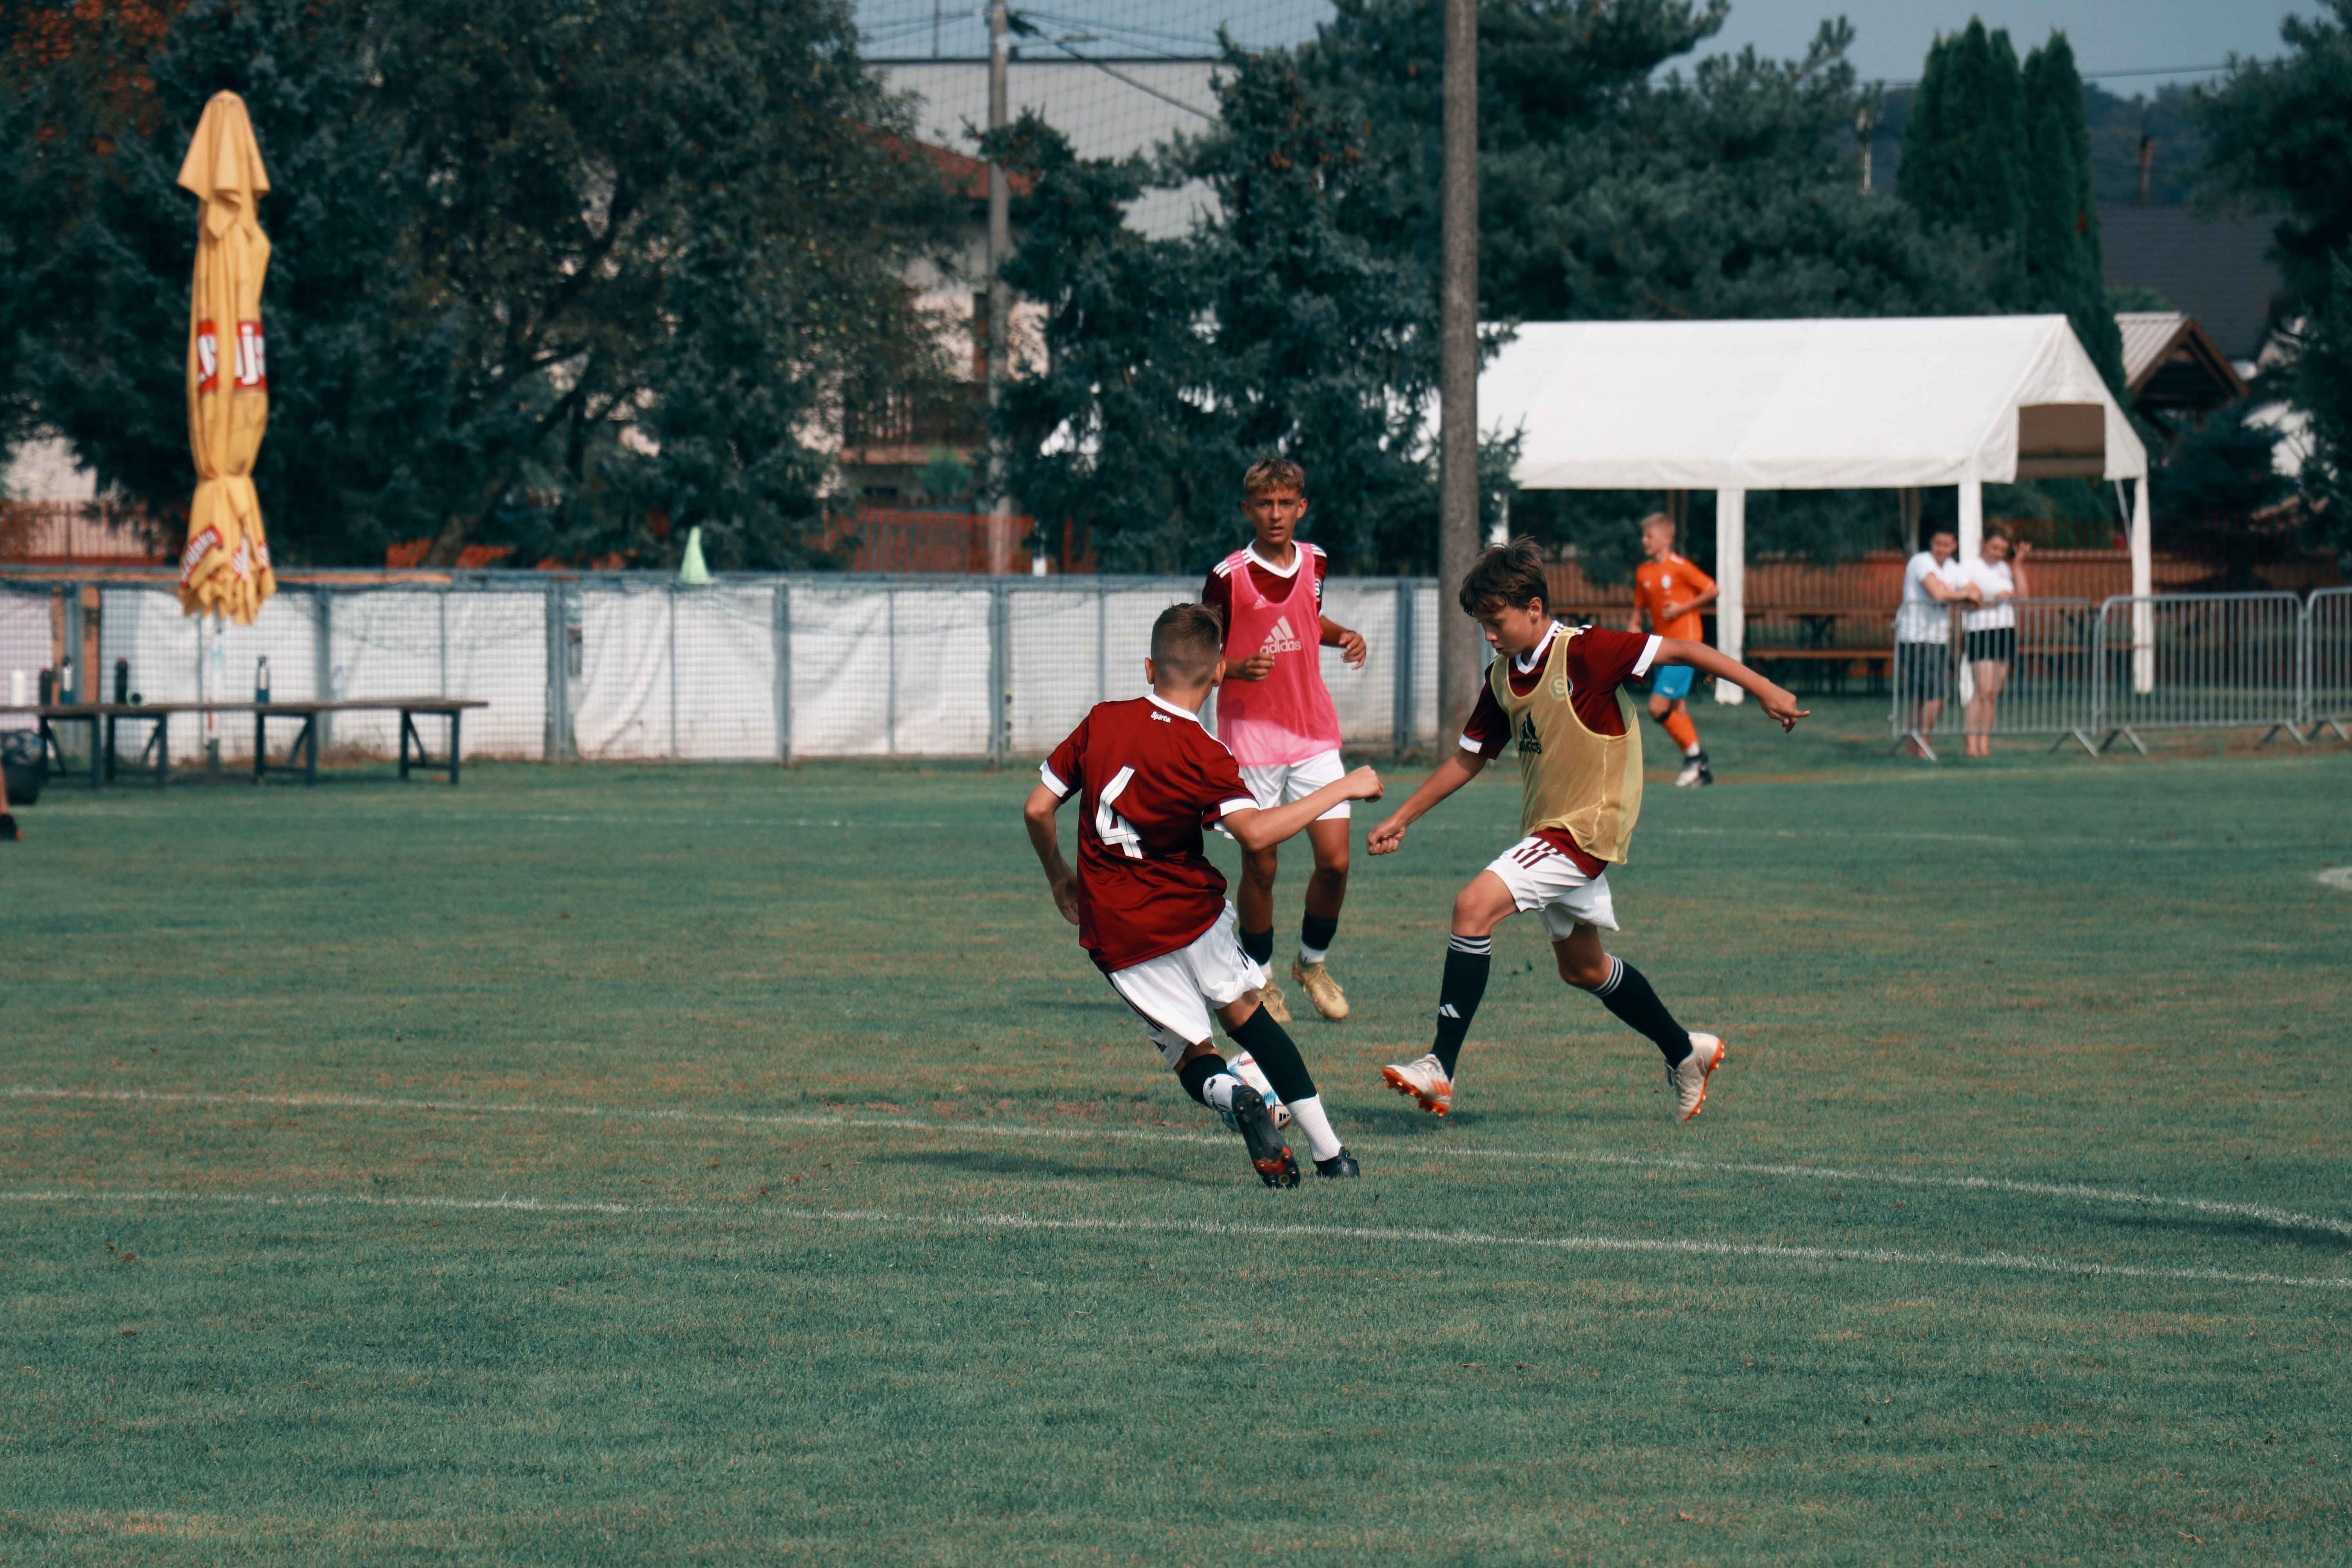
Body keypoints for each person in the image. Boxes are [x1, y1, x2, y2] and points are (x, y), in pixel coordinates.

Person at [1367, 539, 1808, 1123]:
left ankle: (1440, 1067)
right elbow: (1469, 758)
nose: (1490, 635)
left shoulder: (1589, 652)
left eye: (1496, 622)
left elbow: (1687, 648)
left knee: (1472, 906)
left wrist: (1765, 689)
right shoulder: (1501, 677)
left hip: (1586, 827)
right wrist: (1402, 816)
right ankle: (1684, 1053)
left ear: (1533, 607)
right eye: (1481, 626)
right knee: (1583, 969)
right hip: (1550, 829)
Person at [1022, 602, 1383, 1185]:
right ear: (1220, 672)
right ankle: (1332, 1156)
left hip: (1118, 928)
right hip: (1193, 914)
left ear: (1148, 667)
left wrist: (1059, 872)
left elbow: (1038, 808)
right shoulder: (1207, 753)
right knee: (1249, 1018)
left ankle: (1232, 1096)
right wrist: (1345, 785)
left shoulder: (1102, 721)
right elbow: (1258, 832)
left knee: (1193, 1055)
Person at [1201, 457, 1368, 1025]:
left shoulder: (1317, 560)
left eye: (1285, 503)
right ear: (1248, 510)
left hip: (1313, 734)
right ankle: (1262, 976)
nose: (1275, 514)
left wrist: (1342, 634)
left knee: (1336, 862)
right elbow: (1197, 655)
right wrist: (1230, 668)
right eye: (1264, 504)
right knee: (1263, 868)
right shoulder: (1226, 576)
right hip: (1250, 743)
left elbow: (1305, 619)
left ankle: (1312, 964)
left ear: (1302, 507)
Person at [1625, 512, 1718, 786]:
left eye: (1649, 536)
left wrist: (1682, 608)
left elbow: (1712, 590)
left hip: (1686, 645)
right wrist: (1633, 624)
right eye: (1644, 536)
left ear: (1666, 538)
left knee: (1657, 706)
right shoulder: (1644, 572)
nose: (1645, 541)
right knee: (1678, 707)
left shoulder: (1680, 567)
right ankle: (1699, 768)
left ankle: (1695, 757)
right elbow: (1639, 607)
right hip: (1663, 646)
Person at [1894, 526, 1976, 758]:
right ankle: (1922, 745)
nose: (1941, 549)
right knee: (1936, 695)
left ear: (1954, 546)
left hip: (1938, 638)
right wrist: (1964, 595)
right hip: (1916, 637)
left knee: (1924, 696)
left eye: (1946, 545)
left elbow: (1974, 590)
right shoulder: (1921, 562)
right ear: (1931, 543)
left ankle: (1914, 748)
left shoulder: (1952, 568)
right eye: (1937, 543)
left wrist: (1966, 594)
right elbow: (1937, 594)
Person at [1960, 527, 2029, 759]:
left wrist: (2018, 565)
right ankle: (1971, 743)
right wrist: (1992, 598)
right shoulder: (1970, 567)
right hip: (1980, 629)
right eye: (1994, 548)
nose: (1999, 553)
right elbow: (1965, 598)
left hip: (2004, 628)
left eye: (2003, 549)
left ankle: (1984, 743)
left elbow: (2023, 597)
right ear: (1984, 544)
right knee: (1982, 689)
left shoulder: (2004, 569)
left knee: (1993, 692)